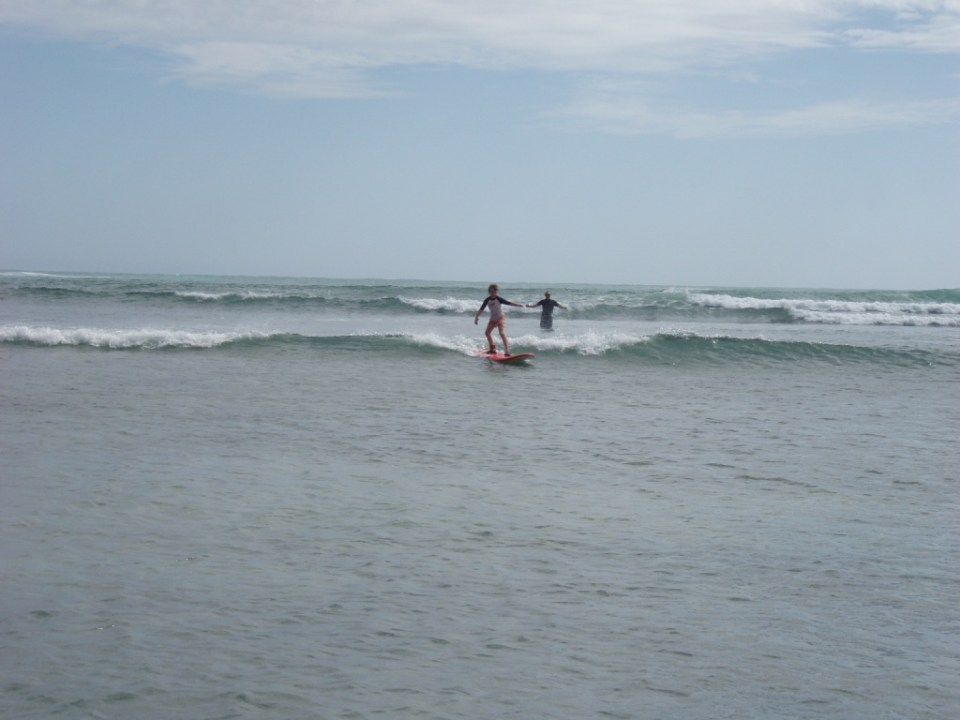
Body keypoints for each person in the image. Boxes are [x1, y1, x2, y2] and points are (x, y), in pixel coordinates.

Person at [474, 283, 524, 355]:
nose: (493, 293)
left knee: (501, 333)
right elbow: (481, 309)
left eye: (494, 291)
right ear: (489, 292)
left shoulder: (498, 299)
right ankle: (492, 349)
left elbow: (508, 303)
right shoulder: (487, 300)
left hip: (500, 318)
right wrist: (476, 317)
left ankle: (507, 351)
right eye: (491, 291)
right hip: (492, 319)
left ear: (496, 291)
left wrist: (518, 305)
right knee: (487, 333)